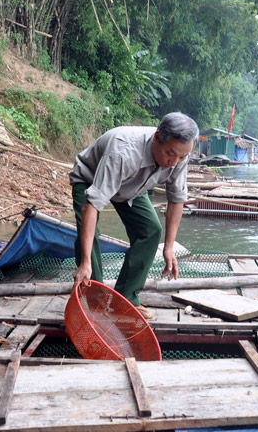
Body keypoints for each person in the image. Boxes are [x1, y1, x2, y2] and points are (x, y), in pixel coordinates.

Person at [69, 112, 198, 319]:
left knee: (151, 230)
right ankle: (96, 300)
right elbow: (91, 206)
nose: (175, 162)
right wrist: (85, 262)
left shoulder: (180, 155)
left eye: (182, 157)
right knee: (89, 236)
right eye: (170, 154)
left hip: (132, 186)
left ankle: (127, 299)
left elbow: (176, 199)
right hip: (90, 179)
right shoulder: (123, 152)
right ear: (157, 138)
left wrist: (169, 247)